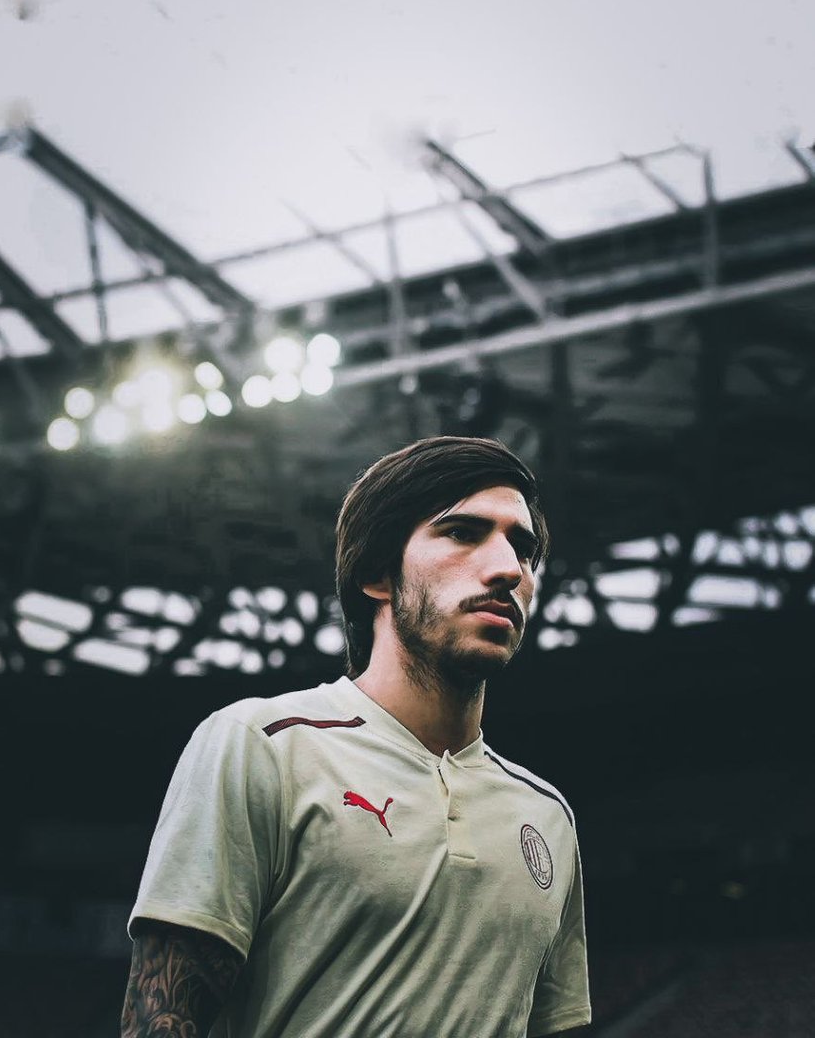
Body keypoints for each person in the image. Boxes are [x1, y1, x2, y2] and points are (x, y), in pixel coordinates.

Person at [122, 435, 591, 1037]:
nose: (507, 568)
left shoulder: (548, 815)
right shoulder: (266, 746)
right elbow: (162, 1019)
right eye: (462, 533)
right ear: (376, 573)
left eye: (522, 549)